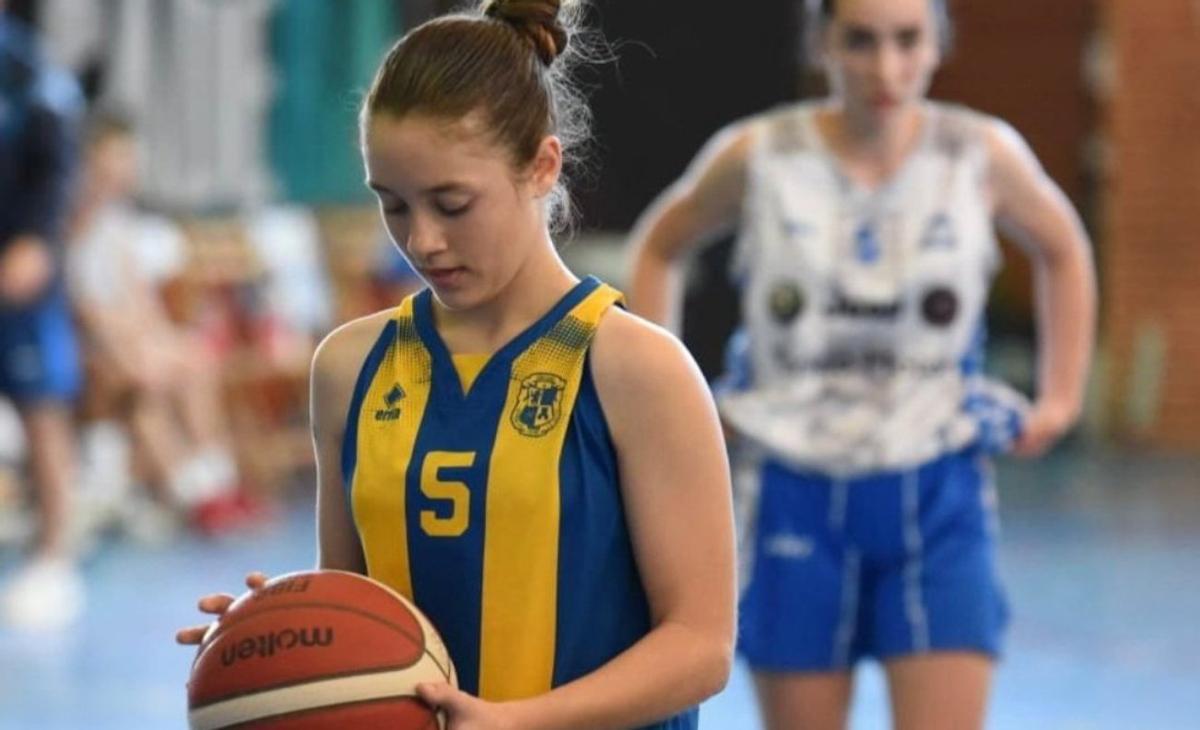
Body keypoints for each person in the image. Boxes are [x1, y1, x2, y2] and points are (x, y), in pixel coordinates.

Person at [178, 2, 736, 728]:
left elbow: (701, 645)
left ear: (542, 165)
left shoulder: (638, 370)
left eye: (452, 203)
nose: (424, 240)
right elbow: (360, 602)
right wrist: (280, 631)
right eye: (394, 205)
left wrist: (517, 720)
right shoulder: (349, 368)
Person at [627, 0, 1097, 728]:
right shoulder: (759, 155)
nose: (886, 67)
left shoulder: (979, 154)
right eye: (862, 41)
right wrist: (665, 401)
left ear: (938, 44)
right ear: (822, 44)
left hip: (936, 484)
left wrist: (1060, 396)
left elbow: (1062, 247)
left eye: (908, 41)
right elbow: (662, 244)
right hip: (790, 485)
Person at [66, 113, 260, 537]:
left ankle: (215, 480)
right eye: (115, 158)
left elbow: (137, 294)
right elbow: (79, 306)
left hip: (125, 337)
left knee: (195, 360)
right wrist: (132, 344)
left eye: (128, 158)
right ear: (90, 161)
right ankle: (189, 494)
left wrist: (160, 338)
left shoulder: (115, 221)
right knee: (144, 382)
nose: (124, 168)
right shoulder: (68, 219)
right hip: (85, 347)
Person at [0, 1, 87, 630]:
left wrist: (37, 237)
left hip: (20, 270)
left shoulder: (28, 69)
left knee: (40, 411)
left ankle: (55, 558)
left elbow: (58, 164)